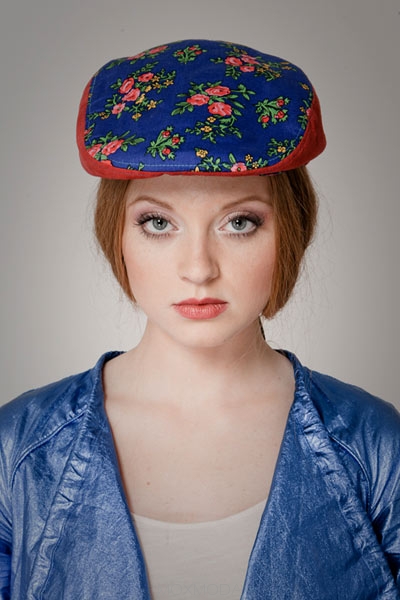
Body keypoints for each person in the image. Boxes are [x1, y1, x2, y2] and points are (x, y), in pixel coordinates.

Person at [0, 39, 399, 600]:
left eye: (239, 223)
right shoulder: (18, 448)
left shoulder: (376, 447)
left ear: (292, 230)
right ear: (116, 235)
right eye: (158, 223)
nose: (198, 268)